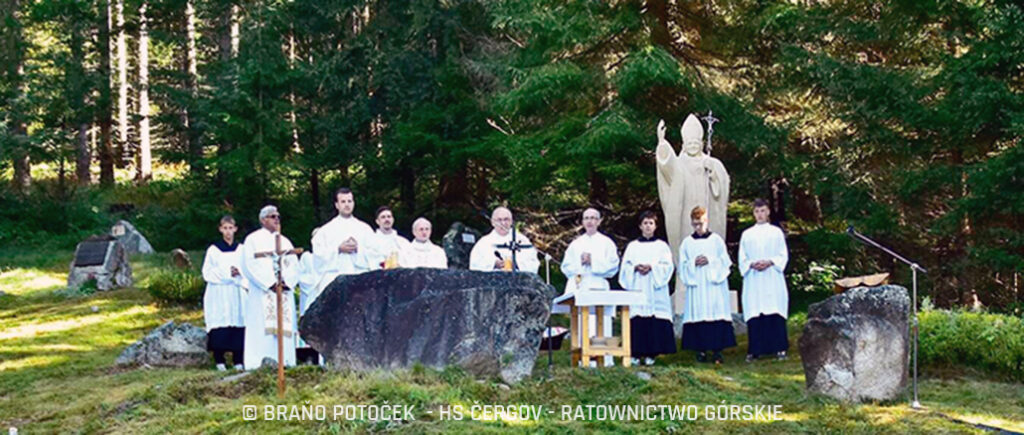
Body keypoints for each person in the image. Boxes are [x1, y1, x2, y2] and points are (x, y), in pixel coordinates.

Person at [240, 205, 299, 370]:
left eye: (278, 216)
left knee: (284, 327)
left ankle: (286, 361)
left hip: (283, 292)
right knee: (262, 328)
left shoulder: (285, 241)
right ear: (263, 219)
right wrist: (270, 283)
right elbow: (249, 264)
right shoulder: (253, 240)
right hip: (263, 292)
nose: (277, 219)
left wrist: (287, 282)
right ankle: (258, 362)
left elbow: (294, 264)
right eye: (273, 216)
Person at [561, 207, 620, 366]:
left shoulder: (607, 243)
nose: (590, 221)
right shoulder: (576, 244)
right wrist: (579, 262)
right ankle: (584, 358)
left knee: (601, 324)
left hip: (599, 286)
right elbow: (566, 267)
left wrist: (593, 261)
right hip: (582, 288)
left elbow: (613, 267)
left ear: (599, 221)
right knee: (584, 324)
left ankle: (604, 358)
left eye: (593, 218)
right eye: (587, 218)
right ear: (582, 222)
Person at [678, 206, 736, 364]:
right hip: (697, 284)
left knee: (715, 314)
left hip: (713, 285)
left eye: (701, 223)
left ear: (706, 221)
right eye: (695, 224)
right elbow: (682, 265)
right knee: (699, 315)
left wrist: (710, 260)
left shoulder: (716, 240)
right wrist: (693, 263)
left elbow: (725, 261)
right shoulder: (687, 243)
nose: (698, 227)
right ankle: (700, 350)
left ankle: (717, 351)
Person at [618, 211, 676, 366]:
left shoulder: (662, 246)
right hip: (638, 285)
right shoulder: (632, 246)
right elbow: (625, 266)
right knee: (637, 319)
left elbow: (667, 266)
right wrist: (635, 268)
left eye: (651, 223)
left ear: (655, 226)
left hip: (654, 286)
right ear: (640, 226)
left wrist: (652, 267)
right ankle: (635, 353)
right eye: (645, 223)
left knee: (654, 319)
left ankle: (652, 354)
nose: (648, 226)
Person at [739, 199, 790, 362]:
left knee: (773, 309)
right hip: (754, 278)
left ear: (768, 212)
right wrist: (751, 264)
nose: (759, 214)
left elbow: (783, 254)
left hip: (772, 277)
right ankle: (755, 350)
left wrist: (770, 262)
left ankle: (779, 348)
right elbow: (742, 257)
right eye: (756, 211)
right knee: (756, 310)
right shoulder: (747, 234)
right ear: (753, 213)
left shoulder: (776, 232)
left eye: (762, 211)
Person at [201, 215, 247, 371]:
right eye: (225, 228)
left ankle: (238, 360)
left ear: (235, 229)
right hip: (219, 291)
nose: (228, 232)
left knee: (238, 322)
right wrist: (227, 273)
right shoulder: (214, 250)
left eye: (230, 228)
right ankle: (219, 360)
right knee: (219, 324)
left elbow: (247, 269)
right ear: (220, 229)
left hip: (235, 291)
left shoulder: (241, 249)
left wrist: (239, 273)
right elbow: (207, 272)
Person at [311, 188, 374, 291]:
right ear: (337, 205)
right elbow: (318, 255)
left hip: (359, 278)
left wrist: (358, 249)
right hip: (335, 280)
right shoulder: (326, 230)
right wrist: (338, 249)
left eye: (349, 201)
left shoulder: (365, 229)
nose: (347, 204)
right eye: (343, 201)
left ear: (353, 203)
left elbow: (375, 254)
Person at [469, 207, 540, 273]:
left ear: (511, 221)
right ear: (492, 222)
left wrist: (516, 264)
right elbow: (474, 266)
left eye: (506, 219)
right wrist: (494, 264)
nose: (503, 223)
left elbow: (533, 264)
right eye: (499, 220)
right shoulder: (483, 243)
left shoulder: (522, 241)